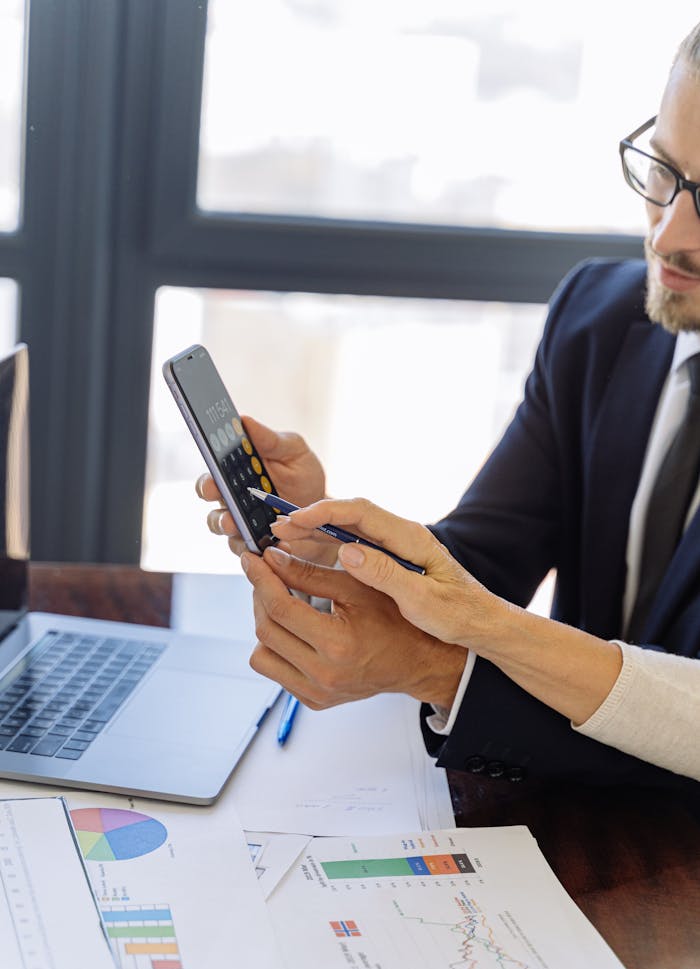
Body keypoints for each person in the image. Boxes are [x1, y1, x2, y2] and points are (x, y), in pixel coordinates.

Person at [198, 24, 700, 793]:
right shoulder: (601, 319)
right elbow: (481, 564)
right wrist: (333, 541)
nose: (670, 233)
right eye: (664, 171)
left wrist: (439, 666)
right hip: (580, 836)